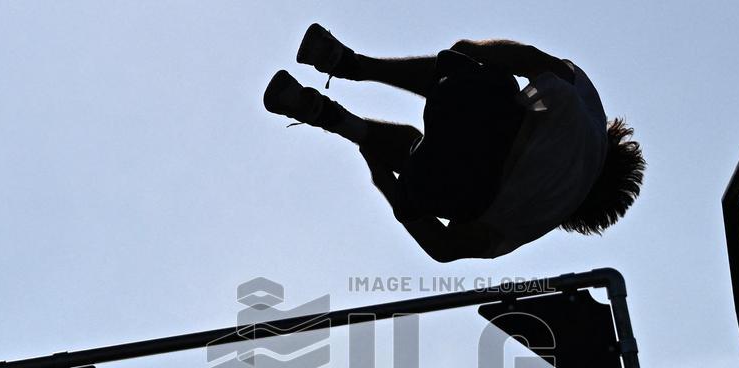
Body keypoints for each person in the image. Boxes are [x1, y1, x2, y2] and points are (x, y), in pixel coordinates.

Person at [263, 24, 645, 262]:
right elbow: (444, 249)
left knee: (469, 73)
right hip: (455, 187)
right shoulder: (538, 220)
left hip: (482, 114)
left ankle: (350, 64)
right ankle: (332, 119)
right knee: (420, 153)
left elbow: (534, 61)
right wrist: (388, 184)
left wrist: (470, 52)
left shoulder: (593, 125)